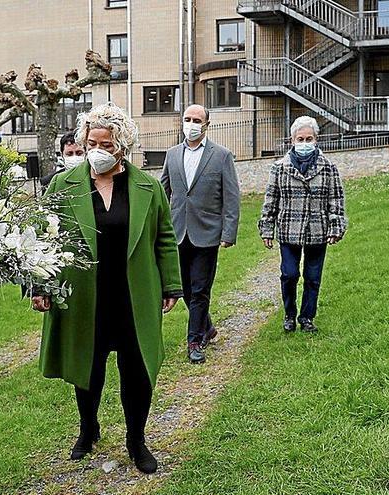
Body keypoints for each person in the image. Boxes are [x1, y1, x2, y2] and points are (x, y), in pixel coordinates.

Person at [32, 103, 182, 474]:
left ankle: (137, 440)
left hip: (134, 294)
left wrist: (172, 284)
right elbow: (43, 239)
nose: (96, 149)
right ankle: (88, 428)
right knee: (88, 366)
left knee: (138, 370)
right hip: (85, 294)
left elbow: (164, 237)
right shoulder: (62, 185)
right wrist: (40, 284)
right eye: (90, 142)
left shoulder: (147, 186)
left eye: (105, 143)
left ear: (123, 146)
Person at [160, 104, 240, 364]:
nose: (191, 124)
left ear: (206, 125)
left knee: (200, 289)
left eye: (197, 120)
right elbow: (163, 193)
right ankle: (207, 327)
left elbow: (231, 197)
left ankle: (194, 340)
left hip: (207, 234)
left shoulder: (222, 156)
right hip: (177, 232)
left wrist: (229, 232)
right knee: (184, 288)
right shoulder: (172, 155)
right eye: (187, 119)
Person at [258, 115, 348, 333]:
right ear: (292, 140)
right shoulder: (279, 168)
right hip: (289, 230)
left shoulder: (328, 168)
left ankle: (307, 317)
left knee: (313, 277)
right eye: (300, 139)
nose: (305, 143)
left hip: (318, 230)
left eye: (309, 139)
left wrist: (336, 227)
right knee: (289, 274)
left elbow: (336, 200)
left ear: (316, 140)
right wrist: (267, 228)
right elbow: (271, 199)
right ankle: (289, 313)